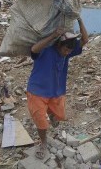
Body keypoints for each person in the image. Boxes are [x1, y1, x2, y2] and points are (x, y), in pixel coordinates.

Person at [26, 18, 88, 159]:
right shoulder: (46, 50)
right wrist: (53, 35)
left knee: (59, 116)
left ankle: (52, 115)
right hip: (37, 91)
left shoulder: (67, 53)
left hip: (56, 91)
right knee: (41, 122)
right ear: (59, 45)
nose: (67, 53)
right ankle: (43, 142)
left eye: (69, 50)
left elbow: (85, 40)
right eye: (65, 49)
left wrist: (79, 19)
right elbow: (33, 50)